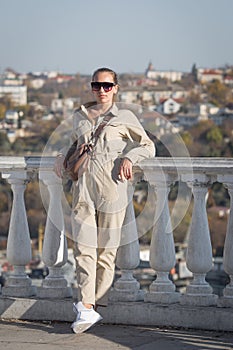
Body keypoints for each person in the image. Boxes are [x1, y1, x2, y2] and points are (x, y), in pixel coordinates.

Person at [54, 67, 155, 334]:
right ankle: (86, 307)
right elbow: (72, 144)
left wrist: (130, 157)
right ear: (91, 87)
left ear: (116, 88)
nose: (101, 90)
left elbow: (148, 145)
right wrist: (60, 155)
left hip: (113, 190)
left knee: (106, 252)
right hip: (83, 190)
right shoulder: (80, 116)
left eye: (107, 86)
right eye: (97, 85)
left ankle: (94, 306)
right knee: (84, 250)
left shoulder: (125, 116)